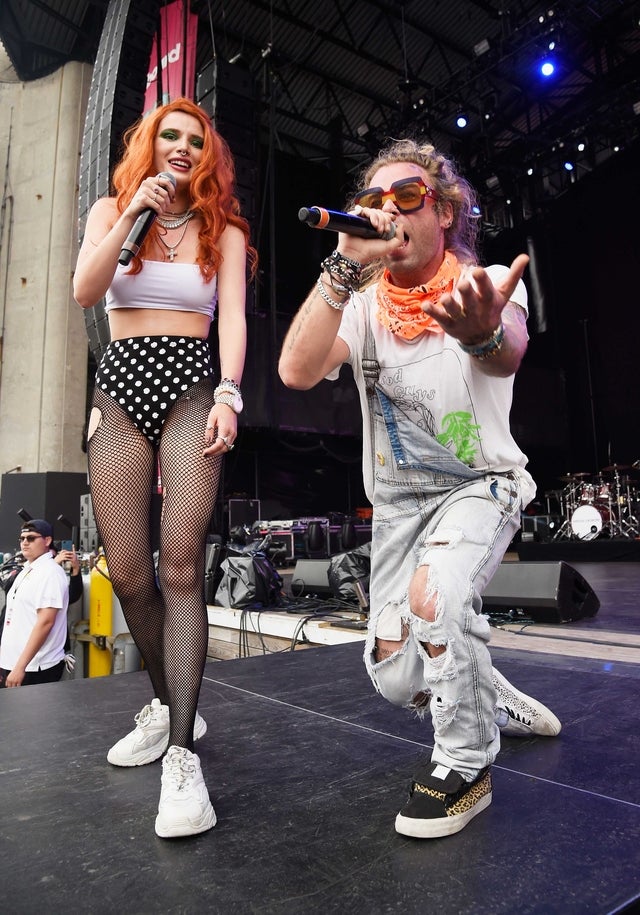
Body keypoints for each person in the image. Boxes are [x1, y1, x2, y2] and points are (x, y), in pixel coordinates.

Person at [279, 138, 560, 839]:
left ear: (443, 211)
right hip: (400, 503)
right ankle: (488, 691)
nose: (389, 211)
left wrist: (482, 333)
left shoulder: (486, 280)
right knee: (397, 676)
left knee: (435, 596)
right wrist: (345, 266)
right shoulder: (364, 304)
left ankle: (465, 764)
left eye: (407, 197)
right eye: (376, 200)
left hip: (480, 485)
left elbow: (508, 353)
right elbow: (296, 371)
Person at [73, 97, 255, 838]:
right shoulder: (110, 211)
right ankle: (167, 698)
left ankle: (182, 753)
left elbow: (234, 318)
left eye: (195, 141)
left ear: (207, 157)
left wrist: (230, 396)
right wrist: (130, 215)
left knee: (180, 561)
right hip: (120, 380)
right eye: (169, 136)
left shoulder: (226, 229)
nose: (182, 147)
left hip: (191, 383)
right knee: (129, 571)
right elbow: (86, 291)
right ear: (149, 145)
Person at [0, 520, 69, 688]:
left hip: (34, 668)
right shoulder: (28, 570)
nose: (24, 542)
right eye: (22, 538)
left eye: (31, 538)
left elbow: (45, 622)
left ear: (47, 541)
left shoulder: (50, 573)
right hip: (13, 664)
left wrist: (20, 667)